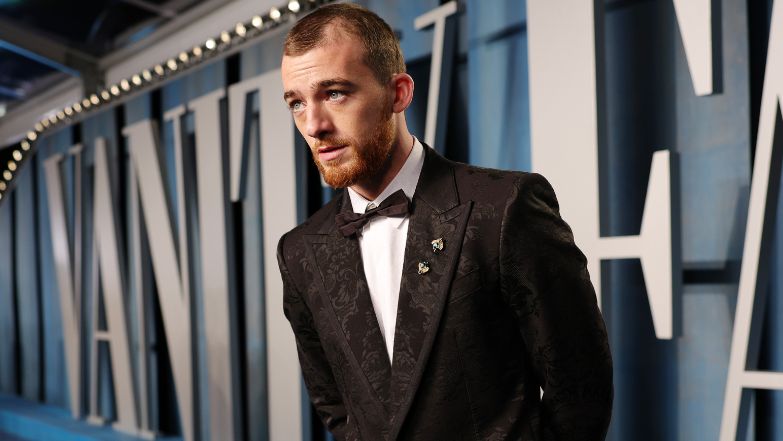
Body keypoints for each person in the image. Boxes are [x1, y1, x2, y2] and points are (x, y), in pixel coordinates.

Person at [276, 3, 613, 440]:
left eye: (335, 93)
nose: (314, 125)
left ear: (399, 93)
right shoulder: (299, 251)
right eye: (297, 103)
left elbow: (581, 392)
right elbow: (337, 408)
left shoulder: (505, 207)